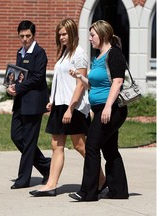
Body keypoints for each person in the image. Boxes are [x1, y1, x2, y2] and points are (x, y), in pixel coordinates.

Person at [30, 18, 106, 197]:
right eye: (60, 34)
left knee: (80, 145)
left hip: (74, 106)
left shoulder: (79, 54)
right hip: (60, 105)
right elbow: (61, 80)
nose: (61, 37)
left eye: (64, 34)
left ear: (72, 33)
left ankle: (102, 179)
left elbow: (80, 84)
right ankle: (51, 184)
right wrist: (53, 100)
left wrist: (70, 109)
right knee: (56, 144)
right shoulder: (64, 53)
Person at [69, 20, 129, 201]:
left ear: (102, 35)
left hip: (111, 109)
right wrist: (80, 76)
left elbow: (117, 82)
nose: (90, 39)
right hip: (101, 108)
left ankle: (88, 192)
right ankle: (118, 191)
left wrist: (109, 106)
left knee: (92, 146)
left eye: (92, 35)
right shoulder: (98, 57)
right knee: (109, 150)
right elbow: (93, 85)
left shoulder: (114, 54)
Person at [7, 20, 51, 189]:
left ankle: (23, 179)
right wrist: (11, 87)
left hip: (34, 103)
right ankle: (46, 166)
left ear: (34, 35)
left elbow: (37, 78)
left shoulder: (40, 53)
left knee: (29, 140)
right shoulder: (20, 52)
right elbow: (20, 76)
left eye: (28, 36)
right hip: (20, 102)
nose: (25, 39)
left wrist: (18, 87)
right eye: (22, 36)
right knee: (16, 136)